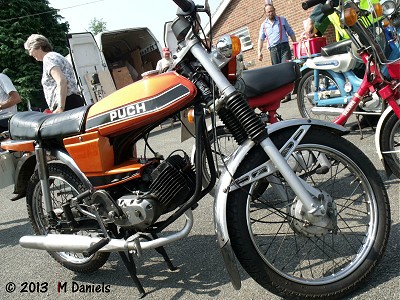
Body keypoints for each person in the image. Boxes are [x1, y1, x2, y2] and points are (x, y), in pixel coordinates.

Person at [24, 34, 84, 114]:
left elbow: (61, 81)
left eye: (30, 49)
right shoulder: (57, 56)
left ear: (38, 47)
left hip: (66, 104)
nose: (30, 54)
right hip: (72, 100)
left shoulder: (48, 58)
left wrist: (60, 107)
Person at [258, 4, 297, 103]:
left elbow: (290, 32)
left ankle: (288, 94)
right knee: (277, 72)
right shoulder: (263, 25)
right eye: (268, 12)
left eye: (272, 11)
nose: (270, 13)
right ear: (265, 13)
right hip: (273, 50)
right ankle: (282, 94)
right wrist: (259, 52)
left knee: (285, 69)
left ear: (274, 10)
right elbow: (261, 39)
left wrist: (295, 44)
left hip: (284, 47)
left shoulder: (282, 20)